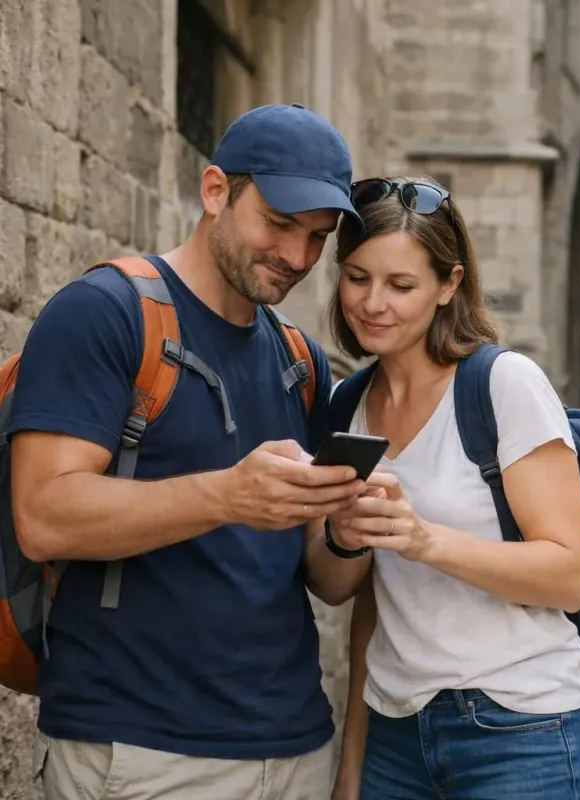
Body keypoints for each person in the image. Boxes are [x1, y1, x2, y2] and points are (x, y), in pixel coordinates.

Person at [9, 104, 384, 800]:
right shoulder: (104, 311)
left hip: (296, 747)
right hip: (143, 753)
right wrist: (227, 495)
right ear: (215, 191)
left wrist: (347, 530)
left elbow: (326, 583)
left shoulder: (299, 358)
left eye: (317, 238)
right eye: (278, 224)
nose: (298, 258)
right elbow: (43, 516)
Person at [325, 177, 580, 800]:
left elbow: (569, 575)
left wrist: (425, 540)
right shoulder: (345, 406)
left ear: (448, 285)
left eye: (401, 285)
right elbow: (350, 596)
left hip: (526, 733)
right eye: (356, 277)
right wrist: (353, 761)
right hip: (396, 738)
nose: (373, 303)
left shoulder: (503, 385)